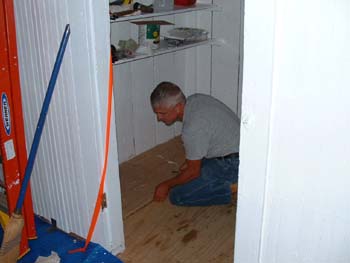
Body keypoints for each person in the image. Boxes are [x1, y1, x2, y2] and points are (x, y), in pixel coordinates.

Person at [150, 81, 240, 206]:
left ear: (178, 107)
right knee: (188, 171)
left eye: (162, 113)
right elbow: (205, 134)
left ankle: (232, 188)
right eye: (157, 113)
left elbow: (193, 172)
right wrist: (191, 161)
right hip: (240, 148)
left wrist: (166, 185)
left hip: (233, 163)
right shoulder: (195, 99)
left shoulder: (192, 128)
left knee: (178, 196)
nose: (158, 118)